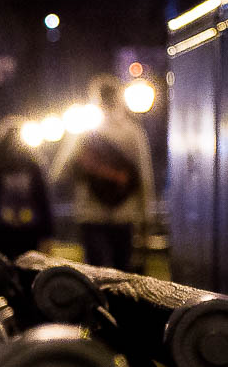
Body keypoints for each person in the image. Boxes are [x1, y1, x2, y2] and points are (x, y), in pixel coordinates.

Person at [50, 73, 156, 271]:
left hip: (91, 214)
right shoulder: (132, 132)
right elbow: (143, 176)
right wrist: (145, 218)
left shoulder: (84, 131)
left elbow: (60, 171)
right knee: (123, 275)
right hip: (125, 214)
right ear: (119, 98)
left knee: (95, 275)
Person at [0, 116, 53, 260]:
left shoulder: (33, 168)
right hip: (3, 232)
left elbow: (42, 201)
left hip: (30, 231)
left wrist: (47, 234)